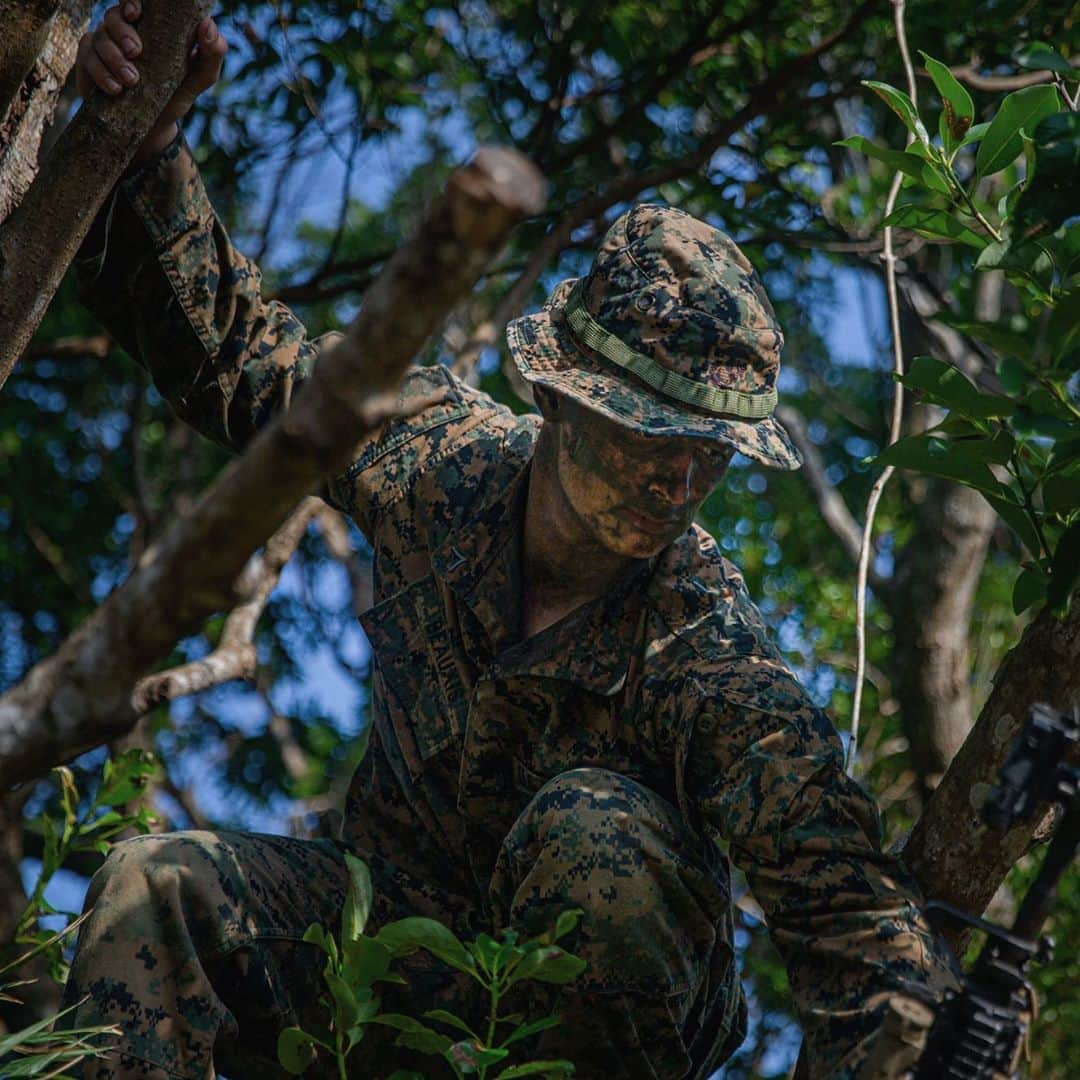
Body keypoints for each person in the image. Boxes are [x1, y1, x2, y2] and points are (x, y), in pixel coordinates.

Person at [63, 6, 958, 1078]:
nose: (678, 481)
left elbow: (860, 928)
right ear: (558, 398)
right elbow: (245, 361)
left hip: (609, 1013)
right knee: (148, 883)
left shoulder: (711, 657)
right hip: (388, 955)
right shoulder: (438, 461)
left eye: (711, 456)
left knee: (594, 833)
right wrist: (146, 145)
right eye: (649, 439)